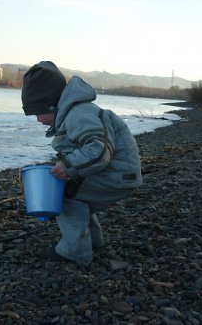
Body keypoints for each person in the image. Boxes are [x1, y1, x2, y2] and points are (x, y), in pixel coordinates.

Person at [21, 61, 142, 266]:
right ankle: (92, 241)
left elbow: (99, 150)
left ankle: (75, 250)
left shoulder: (79, 113)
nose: (38, 120)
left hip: (117, 175)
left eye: (37, 113)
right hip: (117, 173)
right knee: (78, 196)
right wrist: (66, 164)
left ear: (51, 104)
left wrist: (69, 166)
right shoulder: (75, 112)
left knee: (65, 194)